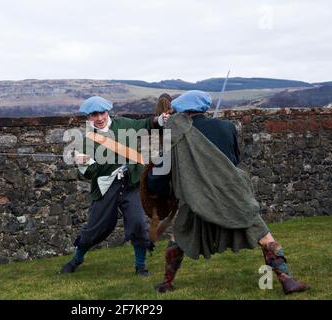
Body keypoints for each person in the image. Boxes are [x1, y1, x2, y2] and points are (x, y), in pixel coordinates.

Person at [148, 90, 309, 294]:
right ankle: (287, 280)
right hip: (231, 196)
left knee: (178, 237)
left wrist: (157, 191)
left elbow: (159, 175)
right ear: (203, 109)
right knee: (265, 237)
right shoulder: (227, 127)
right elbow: (233, 161)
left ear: (184, 112)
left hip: (197, 198)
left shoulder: (176, 135)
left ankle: (167, 282)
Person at [60, 96, 170, 276]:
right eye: (94, 115)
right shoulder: (85, 141)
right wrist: (82, 162)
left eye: (102, 113)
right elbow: (90, 173)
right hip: (105, 187)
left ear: (107, 112)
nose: (99, 118)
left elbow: (145, 124)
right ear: (88, 117)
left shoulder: (124, 124)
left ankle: (140, 267)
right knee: (95, 229)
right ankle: (76, 259)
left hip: (131, 183)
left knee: (138, 224)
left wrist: (160, 120)